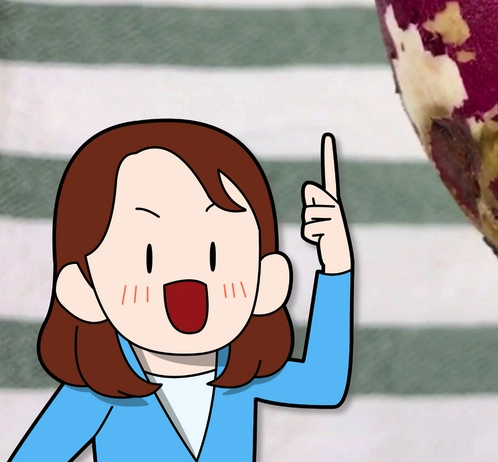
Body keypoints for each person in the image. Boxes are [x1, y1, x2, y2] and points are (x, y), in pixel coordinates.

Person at [7, 120, 354, 461]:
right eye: (148, 258)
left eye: (215, 255)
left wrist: (337, 265)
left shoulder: (240, 376)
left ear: (267, 280)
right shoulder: (98, 395)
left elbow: (324, 385)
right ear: (84, 290)